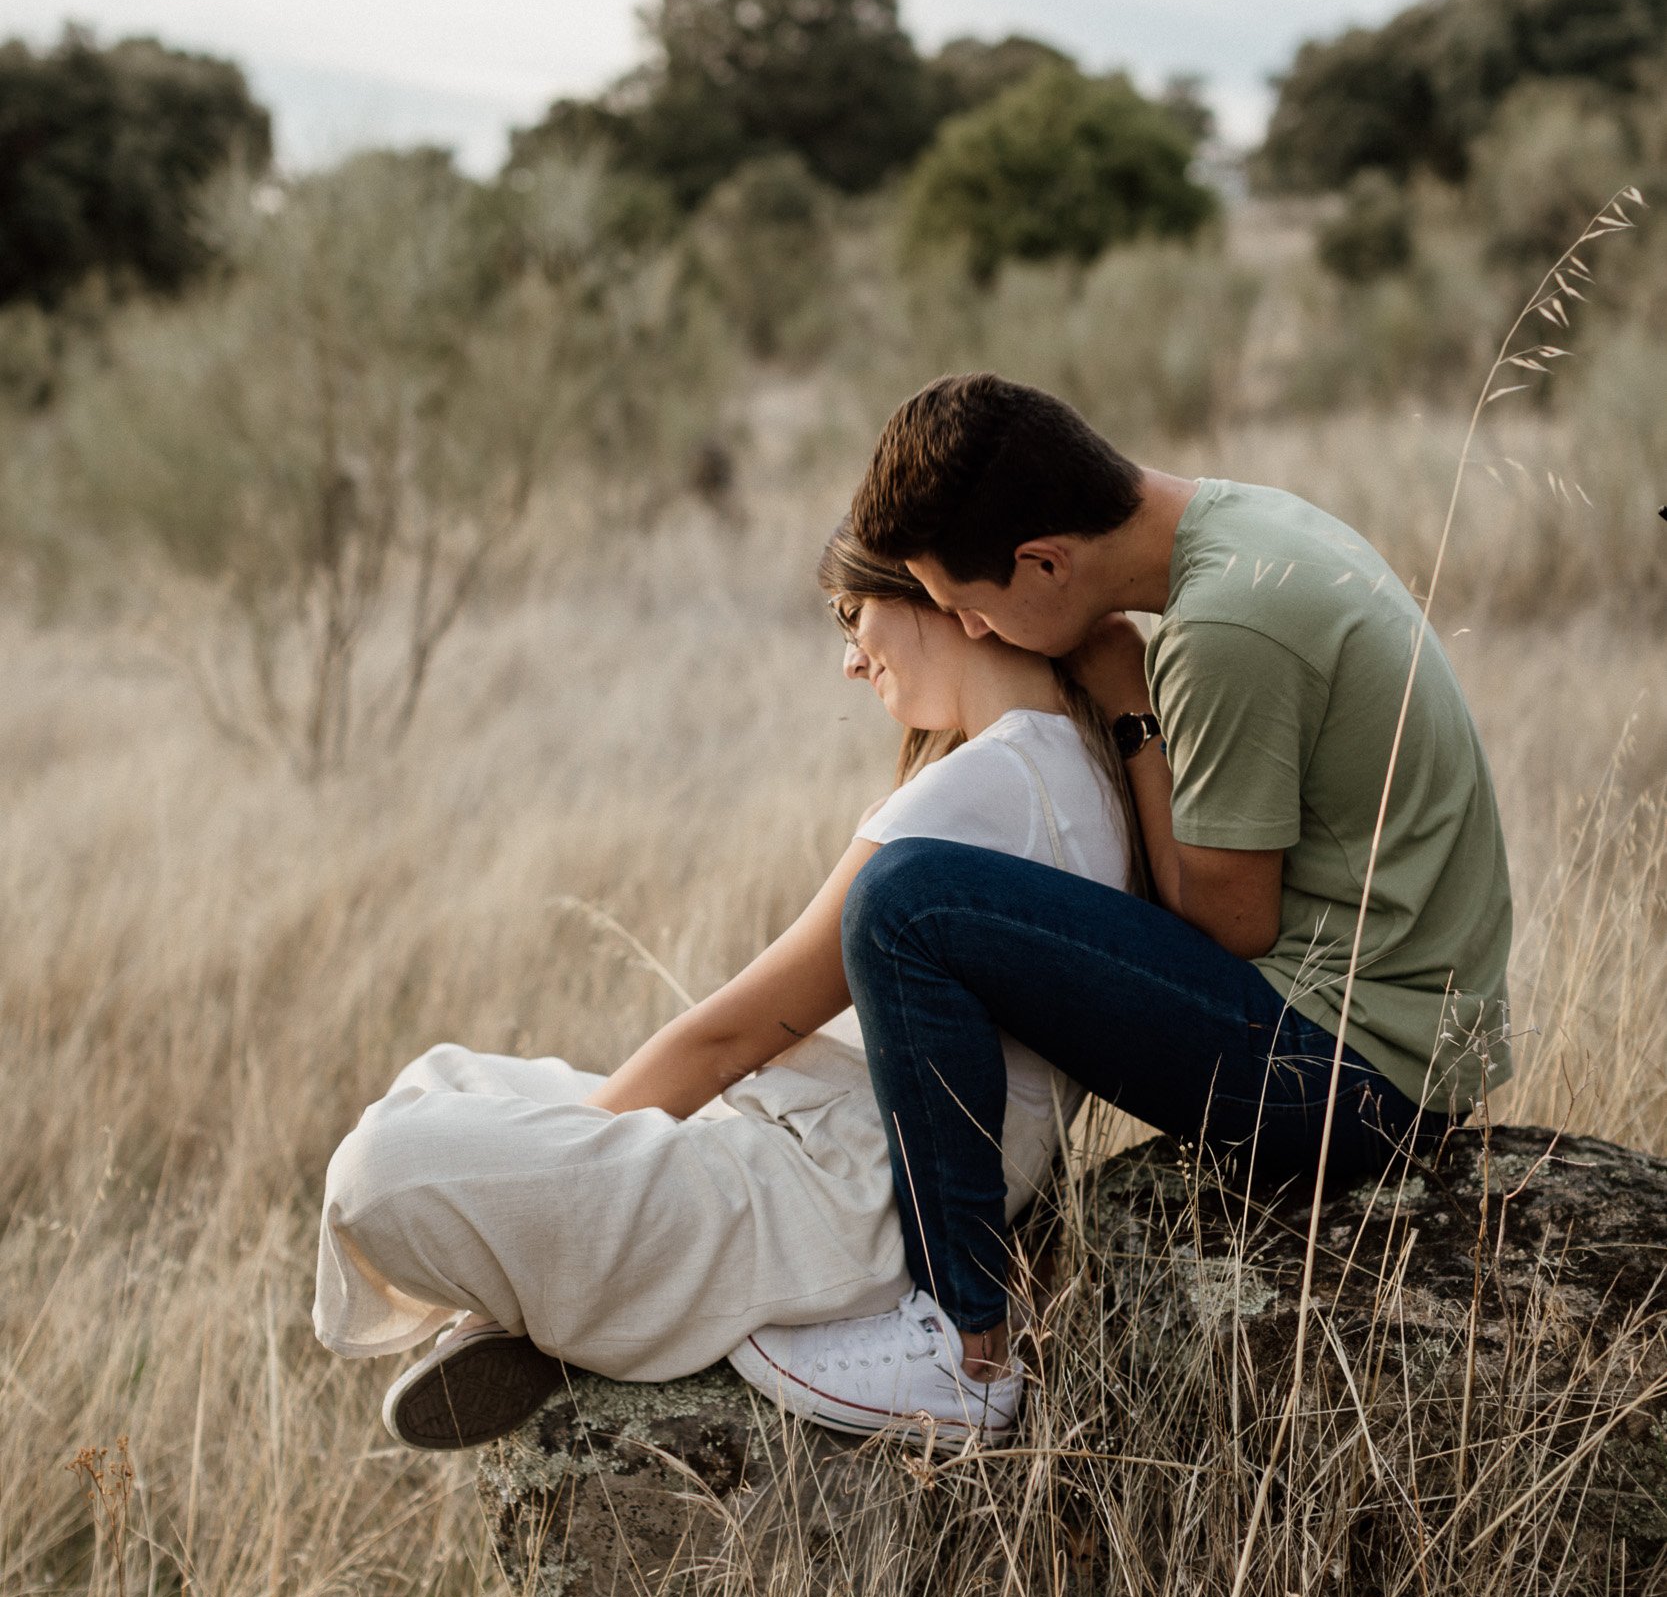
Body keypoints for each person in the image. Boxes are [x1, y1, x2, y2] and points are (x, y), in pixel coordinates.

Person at [745, 372, 1514, 1429]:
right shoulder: (1247, 523)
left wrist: (1125, 707)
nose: (971, 628)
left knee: (903, 902)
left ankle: (960, 1348)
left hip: (1354, 1073)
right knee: (926, 901)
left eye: (968, 605)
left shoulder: (1223, 634)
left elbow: (1228, 925)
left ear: (1043, 562)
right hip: (1410, 1033)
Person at [314, 524, 1145, 1449]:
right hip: (823, 1154)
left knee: (381, 1171)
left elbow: (729, 1037)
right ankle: (564, 1292)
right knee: (450, 1080)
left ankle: (555, 1299)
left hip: (828, 1205)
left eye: (851, 614)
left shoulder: (976, 791)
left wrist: (600, 1152)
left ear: (938, 597)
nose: (846, 660)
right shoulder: (1074, 763)